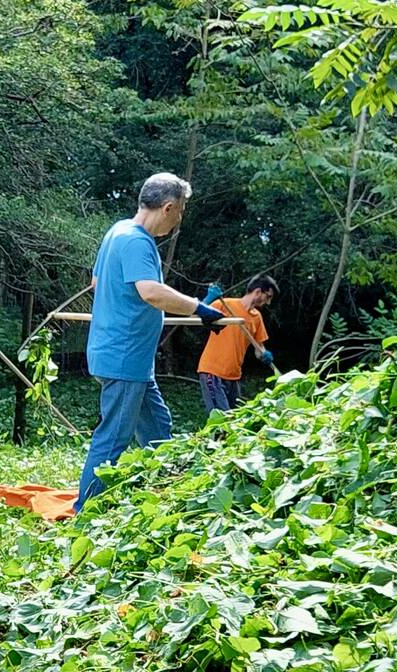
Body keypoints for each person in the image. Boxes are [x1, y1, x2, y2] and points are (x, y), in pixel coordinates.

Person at [74, 173, 225, 511]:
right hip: (124, 358)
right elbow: (151, 292)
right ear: (168, 207)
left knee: (158, 429)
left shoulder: (117, 231)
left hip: (129, 358)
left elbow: (98, 283)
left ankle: (171, 499)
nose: (180, 219)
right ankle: (84, 513)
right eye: (181, 211)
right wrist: (198, 308)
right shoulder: (136, 241)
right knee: (113, 437)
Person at [197, 274, 279, 412]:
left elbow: (259, 348)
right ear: (258, 291)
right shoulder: (223, 305)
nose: (268, 302)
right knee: (221, 421)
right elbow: (193, 317)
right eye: (268, 296)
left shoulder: (256, 317)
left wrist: (264, 354)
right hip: (212, 372)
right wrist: (208, 300)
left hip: (234, 376)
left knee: (235, 422)